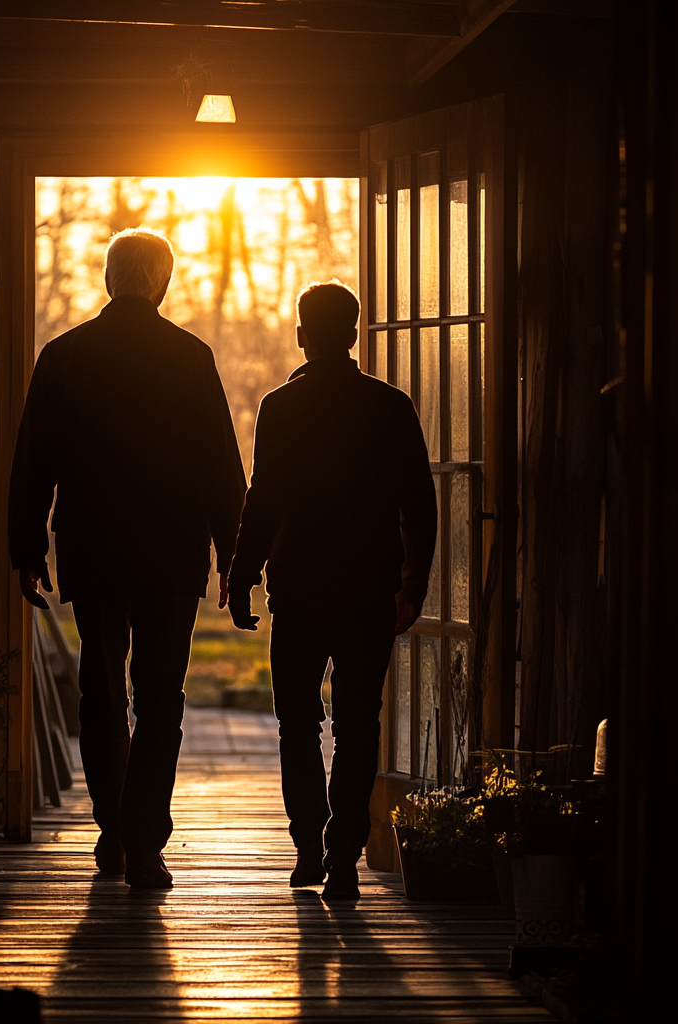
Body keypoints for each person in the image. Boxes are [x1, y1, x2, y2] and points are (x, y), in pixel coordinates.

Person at [8, 228, 246, 889]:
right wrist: (235, 557)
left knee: (101, 691)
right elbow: (220, 468)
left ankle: (112, 831)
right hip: (171, 553)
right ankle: (144, 842)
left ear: (109, 280)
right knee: (160, 698)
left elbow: (34, 467)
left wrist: (27, 550)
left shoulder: (64, 357)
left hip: (94, 548)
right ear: (161, 283)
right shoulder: (190, 357)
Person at [227, 281, 437, 901]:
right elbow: (419, 507)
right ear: (353, 335)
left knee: (297, 722)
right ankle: (345, 854)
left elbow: (263, 501)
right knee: (357, 724)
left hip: (299, 590)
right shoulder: (390, 407)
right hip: (369, 588)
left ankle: (308, 847)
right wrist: (413, 584)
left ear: (302, 333)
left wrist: (241, 578)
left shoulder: (281, 408)